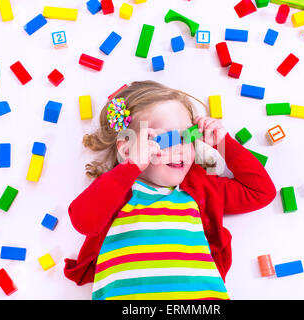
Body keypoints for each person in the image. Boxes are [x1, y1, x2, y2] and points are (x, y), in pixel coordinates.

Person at [64, 80, 276, 300]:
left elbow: (261, 192)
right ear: (128, 149)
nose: (179, 149)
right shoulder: (116, 191)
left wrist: (223, 143)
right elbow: (82, 220)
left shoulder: (202, 188)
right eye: (164, 140)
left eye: (187, 137)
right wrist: (129, 169)